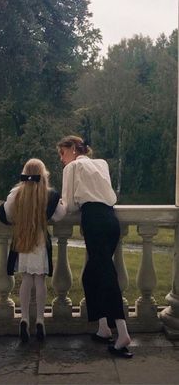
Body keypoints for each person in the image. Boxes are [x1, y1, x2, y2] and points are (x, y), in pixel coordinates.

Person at [57, 135, 133, 359]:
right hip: (111, 220)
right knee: (91, 275)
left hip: (94, 220)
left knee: (106, 274)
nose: (61, 159)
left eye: (62, 153)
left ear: (72, 149)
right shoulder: (101, 164)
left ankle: (123, 334)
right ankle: (103, 328)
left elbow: (69, 205)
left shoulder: (72, 167)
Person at [0, 158, 65, 343]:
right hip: (40, 242)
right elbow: (61, 214)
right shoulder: (48, 195)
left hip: (23, 240)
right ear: (43, 175)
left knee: (26, 279)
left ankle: (25, 318)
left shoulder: (17, 193)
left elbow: (7, 213)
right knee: (40, 280)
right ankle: (41, 320)